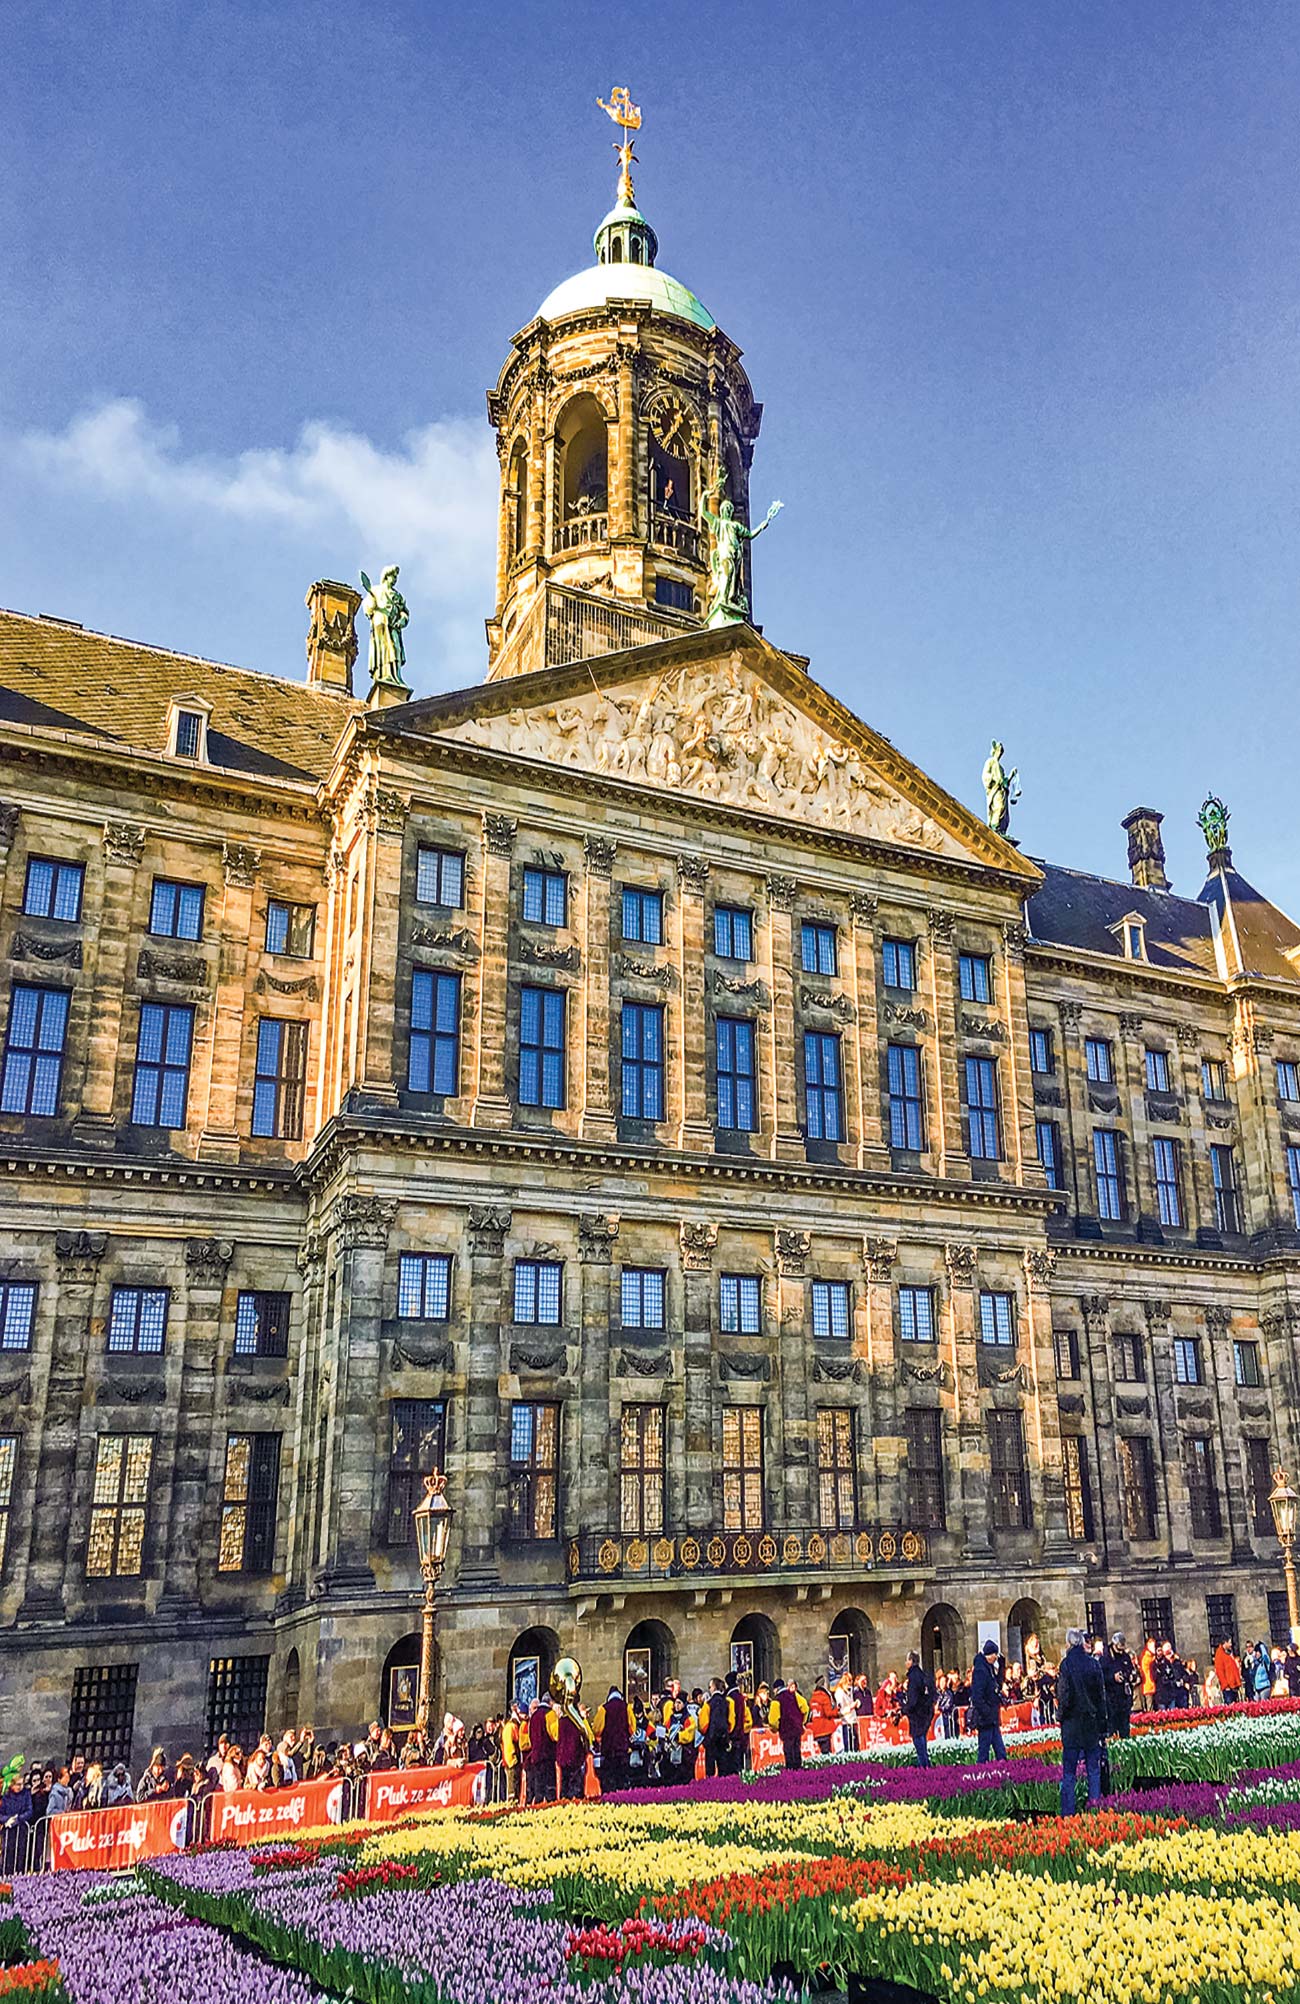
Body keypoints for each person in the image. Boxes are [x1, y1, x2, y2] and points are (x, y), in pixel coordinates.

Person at [1057, 1626, 1107, 1814]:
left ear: (1069, 1643)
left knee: (1069, 1773)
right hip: (1091, 1724)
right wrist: (1103, 1726)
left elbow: (1064, 1696)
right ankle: (1095, 1809)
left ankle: (1068, 1813)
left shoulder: (1066, 1665)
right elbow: (1100, 1698)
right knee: (1093, 1770)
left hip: (1071, 1725)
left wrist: (1060, 1716)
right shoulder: (1093, 1664)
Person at [969, 1641, 1006, 1763]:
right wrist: (987, 1712)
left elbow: (997, 1685)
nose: (996, 1658)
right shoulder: (980, 1670)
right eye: (995, 1655)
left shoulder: (988, 1668)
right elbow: (977, 1697)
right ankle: (981, 1777)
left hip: (992, 1718)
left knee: (1001, 1753)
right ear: (990, 1655)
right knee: (983, 1753)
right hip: (985, 1719)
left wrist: (1002, 1667)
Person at [899, 1651, 935, 1768]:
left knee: (919, 1742)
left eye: (907, 1660)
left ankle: (924, 1767)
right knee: (922, 1739)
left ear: (910, 1661)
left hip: (916, 1714)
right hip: (925, 1712)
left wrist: (904, 1709)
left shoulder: (913, 1677)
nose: (905, 1663)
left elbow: (913, 1699)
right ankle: (926, 1766)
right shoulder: (923, 1675)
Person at [593, 1686, 630, 1795]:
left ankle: (610, 1798)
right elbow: (632, 1727)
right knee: (622, 1778)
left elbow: (596, 1729)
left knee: (609, 1778)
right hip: (622, 1748)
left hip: (609, 1749)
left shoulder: (604, 1708)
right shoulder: (626, 1707)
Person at [768, 1678, 809, 1771]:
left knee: (789, 1754)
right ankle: (800, 1773)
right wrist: (801, 1722)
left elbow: (773, 1721)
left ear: (775, 1689)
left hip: (786, 1731)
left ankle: (791, 1774)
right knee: (797, 1751)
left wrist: (775, 1729)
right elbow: (805, 1708)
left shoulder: (776, 1700)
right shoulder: (795, 1695)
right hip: (797, 1729)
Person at [1103, 1633, 1137, 1739]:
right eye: (1119, 1648)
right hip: (1111, 1700)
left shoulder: (1125, 1656)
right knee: (1112, 1730)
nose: (1121, 1651)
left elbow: (1131, 1670)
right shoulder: (1105, 1658)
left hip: (1124, 1699)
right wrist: (1113, 1677)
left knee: (1125, 1730)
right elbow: (1101, 1677)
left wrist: (1131, 1676)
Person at [525, 1697, 556, 1804]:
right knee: (550, 1788)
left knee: (539, 1788)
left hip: (536, 1756)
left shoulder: (533, 1716)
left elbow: (530, 1735)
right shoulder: (550, 1714)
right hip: (548, 1755)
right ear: (550, 1702)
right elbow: (555, 1735)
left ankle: (538, 1808)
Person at [699, 1679, 730, 1779]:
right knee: (723, 1767)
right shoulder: (727, 1702)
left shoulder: (708, 1704)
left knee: (710, 1769)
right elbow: (731, 1720)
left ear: (714, 1687)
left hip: (711, 1738)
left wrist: (704, 1733)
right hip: (723, 1738)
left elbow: (703, 1723)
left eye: (710, 1687)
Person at [807, 1678, 838, 1758]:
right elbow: (828, 1713)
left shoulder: (813, 1697)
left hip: (816, 1729)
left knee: (822, 1753)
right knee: (827, 1754)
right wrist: (837, 1711)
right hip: (825, 1728)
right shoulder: (824, 1697)